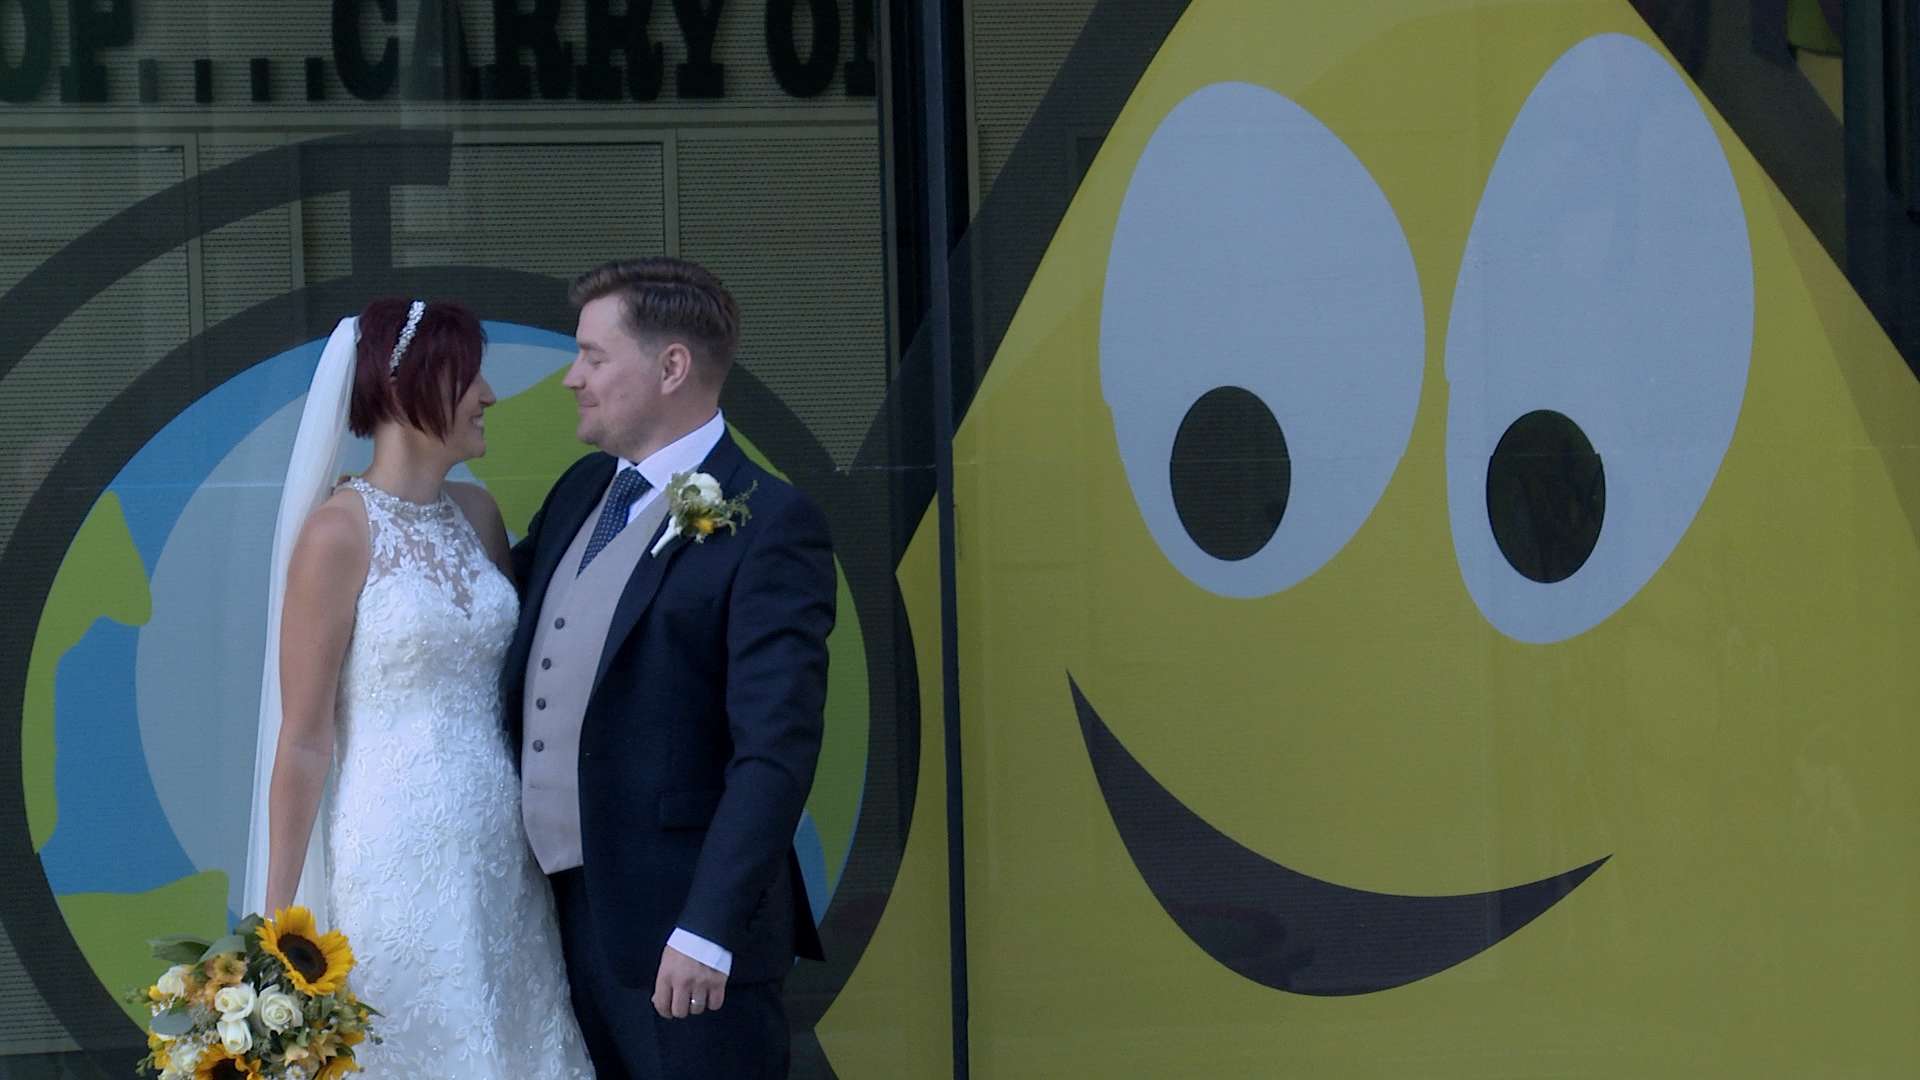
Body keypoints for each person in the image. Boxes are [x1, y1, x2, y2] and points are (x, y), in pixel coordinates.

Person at [242, 298, 595, 1078]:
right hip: (396, 848)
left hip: (505, 852)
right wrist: (276, 924)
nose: (490, 395)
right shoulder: (338, 534)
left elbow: (521, 683)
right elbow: (304, 738)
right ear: (408, 386)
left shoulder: (480, 514)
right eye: (470, 375)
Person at [505, 257, 834, 1079]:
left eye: (593, 356)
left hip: (682, 942)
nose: (571, 379)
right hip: (560, 920)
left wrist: (707, 929)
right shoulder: (584, 489)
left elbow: (776, 750)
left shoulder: (769, 520)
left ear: (672, 366)